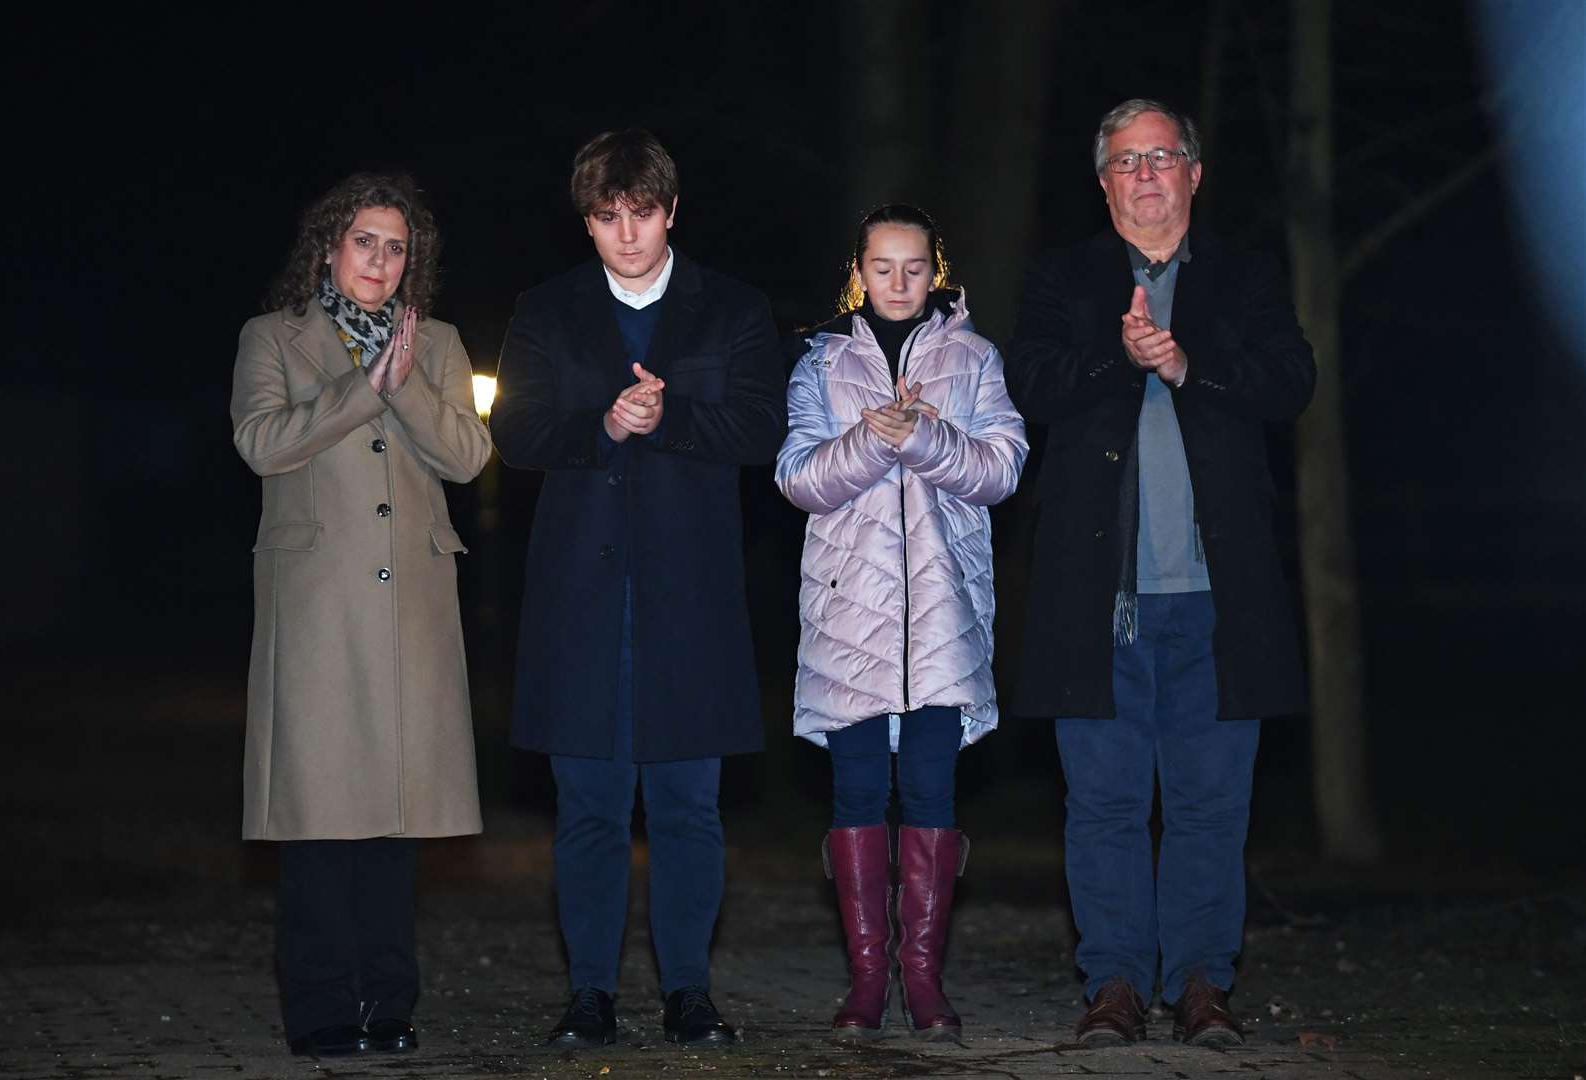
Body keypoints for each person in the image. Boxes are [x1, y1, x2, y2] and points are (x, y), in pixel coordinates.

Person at [1004, 99, 1316, 1047]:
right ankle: (1114, 985)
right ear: (1102, 183)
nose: (1145, 174)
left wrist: (1186, 365)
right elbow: (1034, 386)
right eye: (1126, 161)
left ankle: (1200, 984)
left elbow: (1290, 383)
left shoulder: (1247, 278)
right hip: (1095, 598)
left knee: (1209, 804)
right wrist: (1122, 353)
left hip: (1222, 598)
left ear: (1194, 173)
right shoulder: (1062, 279)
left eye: (1163, 156)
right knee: (1101, 803)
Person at [490, 129, 786, 1048]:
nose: (628, 233)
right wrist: (603, 427)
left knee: (689, 808)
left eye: (643, 214)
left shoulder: (732, 308)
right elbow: (518, 432)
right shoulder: (546, 310)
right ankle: (589, 995)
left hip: (690, 597)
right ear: (586, 222)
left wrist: (672, 416)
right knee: (588, 807)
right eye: (608, 218)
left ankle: (689, 993)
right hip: (580, 596)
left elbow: (762, 427)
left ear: (671, 212)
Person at [231, 173, 492, 1057]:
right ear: (329, 249)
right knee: (317, 822)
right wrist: (360, 387)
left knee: (393, 821)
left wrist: (405, 381)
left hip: (410, 612)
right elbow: (261, 441)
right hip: (316, 611)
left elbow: (466, 457)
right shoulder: (272, 338)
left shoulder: (443, 343)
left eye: (396, 246)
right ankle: (320, 1012)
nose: (380, 259)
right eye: (365, 241)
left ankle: (390, 1006)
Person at [776, 205, 1027, 1041]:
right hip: (850, 620)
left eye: (913, 266)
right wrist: (873, 440)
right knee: (855, 795)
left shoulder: (976, 357)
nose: (897, 282)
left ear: (937, 268)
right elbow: (799, 480)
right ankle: (865, 982)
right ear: (858, 269)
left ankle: (922, 981)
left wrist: (923, 433)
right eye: (882, 266)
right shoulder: (820, 361)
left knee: (929, 792)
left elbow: (1001, 471)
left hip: (944, 617)